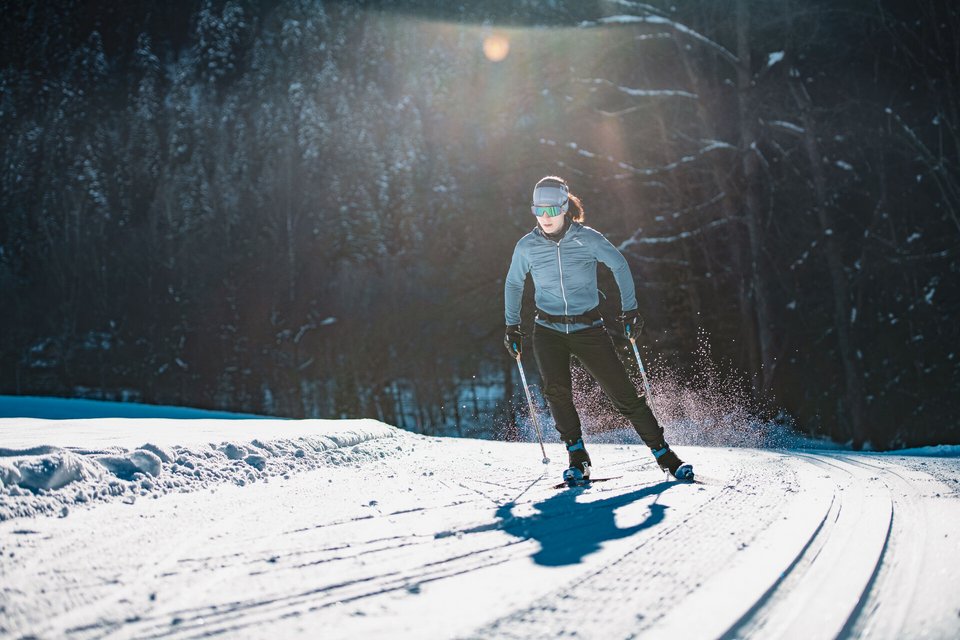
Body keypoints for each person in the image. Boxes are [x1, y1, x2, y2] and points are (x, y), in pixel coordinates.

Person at [503, 176, 693, 483]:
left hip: (588, 328)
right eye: (538, 209)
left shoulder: (587, 238)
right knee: (556, 392)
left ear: (564, 207)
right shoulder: (527, 246)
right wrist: (512, 326)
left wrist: (629, 309)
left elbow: (619, 265)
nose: (545, 216)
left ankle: (665, 455)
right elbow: (514, 282)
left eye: (552, 209)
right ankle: (577, 457)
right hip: (547, 329)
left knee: (623, 395)